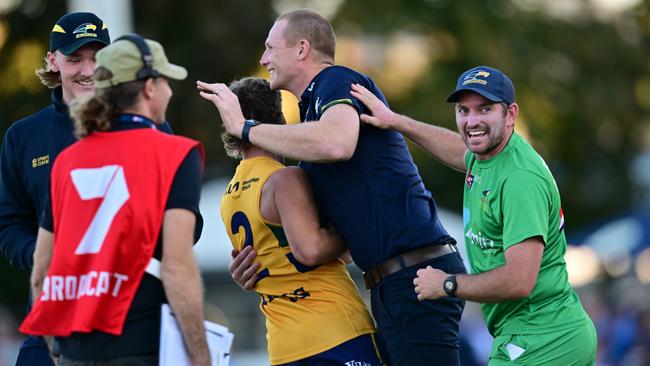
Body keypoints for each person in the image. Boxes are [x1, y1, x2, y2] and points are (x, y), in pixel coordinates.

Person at [198, 9, 466, 366]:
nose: (263, 59)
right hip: (390, 282)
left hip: (416, 273)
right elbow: (322, 245)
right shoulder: (311, 130)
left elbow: (338, 143)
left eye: (270, 48)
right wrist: (261, 268)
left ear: (302, 49)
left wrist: (243, 127)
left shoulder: (335, 80)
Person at [351, 65, 597, 365]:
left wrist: (447, 284)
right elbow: (460, 151)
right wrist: (395, 121)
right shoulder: (490, 156)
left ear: (511, 114)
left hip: (543, 337)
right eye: (463, 111)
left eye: (485, 109)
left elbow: (519, 280)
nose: (472, 121)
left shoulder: (519, 179)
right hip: (533, 332)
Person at [18, 35, 210, 366]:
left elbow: (41, 269)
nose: (169, 90)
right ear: (149, 87)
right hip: (140, 342)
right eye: (164, 80)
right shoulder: (177, 153)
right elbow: (178, 268)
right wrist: (202, 356)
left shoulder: (67, 159)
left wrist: (55, 348)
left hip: (74, 347)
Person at [220, 76, 383, 365]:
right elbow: (309, 250)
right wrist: (352, 226)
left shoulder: (228, 196)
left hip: (283, 344)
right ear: (280, 118)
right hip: (333, 329)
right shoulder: (284, 178)